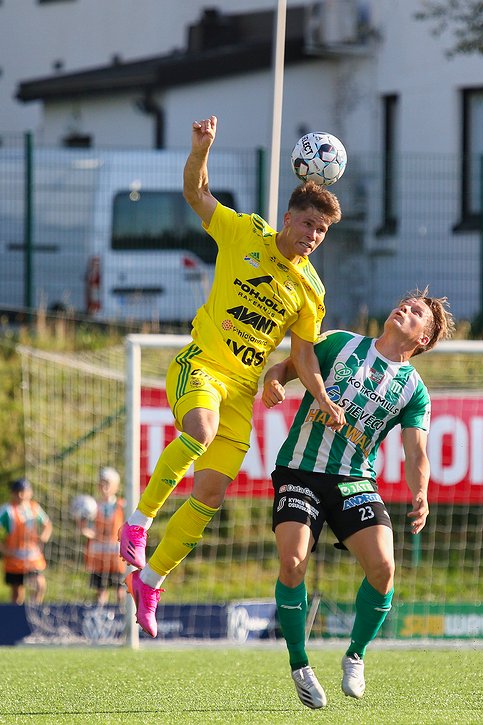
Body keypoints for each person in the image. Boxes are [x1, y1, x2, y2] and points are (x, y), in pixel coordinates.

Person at [120, 115, 346, 638]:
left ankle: (151, 579)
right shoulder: (245, 231)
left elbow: (305, 355)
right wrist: (201, 148)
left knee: (213, 493)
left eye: (323, 231)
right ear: (288, 218)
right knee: (197, 431)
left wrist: (316, 396)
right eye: (309, 224)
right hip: (201, 365)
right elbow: (195, 192)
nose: (314, 237)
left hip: (242, 391)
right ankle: (138, 521)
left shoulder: (310, 291)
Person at [261, 289, 453, 708]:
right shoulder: (339, 343)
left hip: (353, 480)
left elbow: (416, 451)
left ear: (424, 338)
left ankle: (355, 654)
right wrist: (272, 380)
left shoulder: (414, 391)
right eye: (404, 303)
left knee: (384, 568)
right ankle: (300, 664)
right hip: (301, 471)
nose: (405, 308)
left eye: (417, 312)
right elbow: (286, 366)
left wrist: (420, 492)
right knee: (292, 563)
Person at [0, 477, 53, 605]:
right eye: (18, 492)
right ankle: (17, 618)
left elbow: (47, 525)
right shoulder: (7, 510)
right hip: (15, 559)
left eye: (25, 491)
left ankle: (34, 609)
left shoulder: (34, 508)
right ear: (13, 494)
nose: (22, 495)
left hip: (33, 558)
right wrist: (2, 549)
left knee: (40, 585)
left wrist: (43, 538)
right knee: (17, 593)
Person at [76, 466, 127, 607]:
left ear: (116, 486)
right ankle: (100, 617)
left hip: (117, 558)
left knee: (121, 591)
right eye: (101, 482)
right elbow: (86, 529)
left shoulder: (122, 505)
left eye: (107, 483)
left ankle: (123, 618)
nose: (103, 486)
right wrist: (85, 530)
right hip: (98, 557)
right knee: (101, 591)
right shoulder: (92, 506)